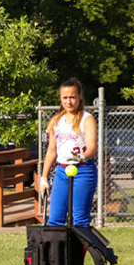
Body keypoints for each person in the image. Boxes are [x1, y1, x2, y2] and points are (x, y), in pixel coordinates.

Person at [39, 78, 99, 226]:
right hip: (62, 171)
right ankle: (58, 250)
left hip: (83, 170)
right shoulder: (57, 121)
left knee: (79, 220)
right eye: (65, 98)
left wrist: (81, 157)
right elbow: (52, 151)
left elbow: (93, 147)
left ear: (80, 97)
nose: (69, 101)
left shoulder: (87, 119)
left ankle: (78, 250)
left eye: (72, 97)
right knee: (55, 219)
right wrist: (44, 178)